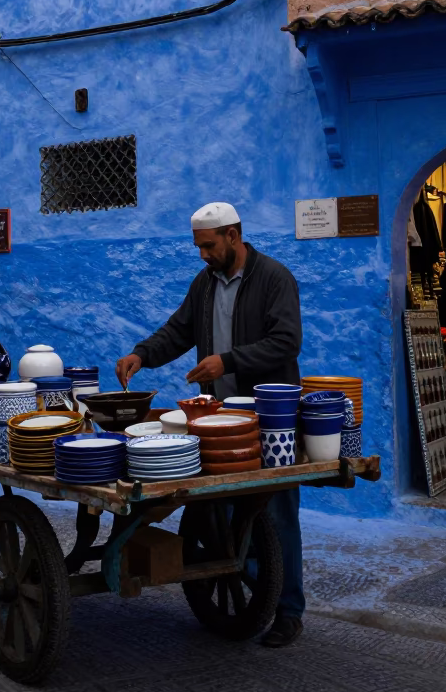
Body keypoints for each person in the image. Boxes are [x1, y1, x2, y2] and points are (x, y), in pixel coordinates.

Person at [116, 202, 305, 648]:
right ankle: (250, 591)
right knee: (224, 510)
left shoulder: (274, 278)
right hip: (219, 422)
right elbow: (178, 330)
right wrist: (142, 354)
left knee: (276, 514)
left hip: (267, 421)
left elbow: (286, 341)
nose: (202, 254)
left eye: (208, 245)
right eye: (198, 246)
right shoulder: (204, 285)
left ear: (233, 235)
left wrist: (229, 361)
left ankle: (288, 611)